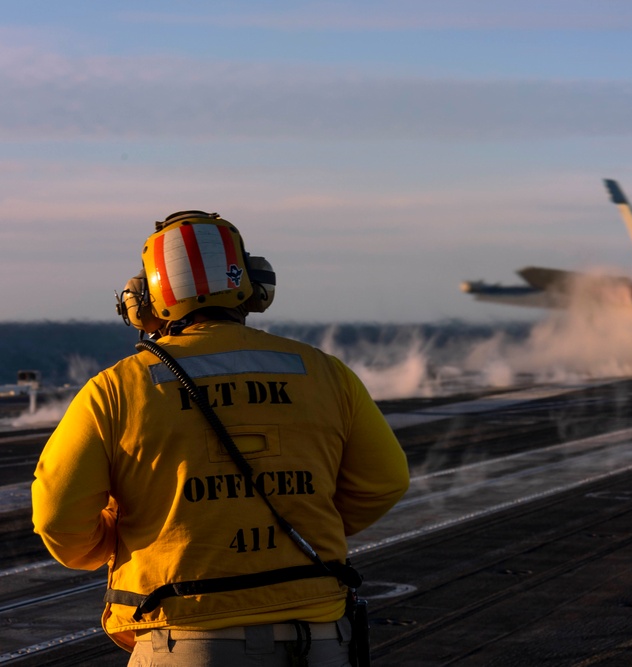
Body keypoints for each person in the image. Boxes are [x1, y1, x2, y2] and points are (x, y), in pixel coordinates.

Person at [32, 211, 409, 666]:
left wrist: (112, 542)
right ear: (253, 286)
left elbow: (57, 517)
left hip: (188, 641)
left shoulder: (116, 389)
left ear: (143, 301)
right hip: (322, 641)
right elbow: (386, 481)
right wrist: (300, 522)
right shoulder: (325, 372)